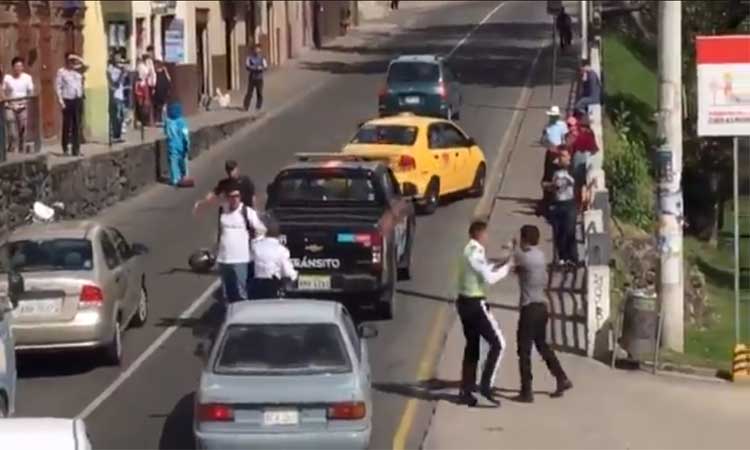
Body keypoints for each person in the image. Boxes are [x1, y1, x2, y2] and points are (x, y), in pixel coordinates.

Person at [512, 225, 573, 403]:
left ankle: (526, 390)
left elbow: (511, 259)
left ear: (524, 239)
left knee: (524, 350)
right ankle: (561, 377)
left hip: (529, 308)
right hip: (542, 307)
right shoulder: (540, 256)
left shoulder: (523, 256)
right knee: (542, 345)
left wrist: (511, 247)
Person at [456, 220, 513, 407]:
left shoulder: (469, 250)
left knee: (472, 346)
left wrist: (503, 262)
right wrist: (507, 268)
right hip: (474, 304)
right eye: (486, 234)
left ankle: (466, 388)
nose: (488, 237)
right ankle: (486, 386)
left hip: (464, 302)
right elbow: (490, 277)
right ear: (479, 234)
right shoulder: (474, 253)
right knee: (499, 343)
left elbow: (485, 269)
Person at [215, 180, 267, 302]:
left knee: (241, 292)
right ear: (227, 197)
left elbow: (261, 229)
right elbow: (220, 231)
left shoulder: (247, 212)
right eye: (231, 196)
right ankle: (229, 315)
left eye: (237, 196)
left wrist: (256, 242)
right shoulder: (223, 210)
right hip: (224, 259)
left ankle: (243, 317)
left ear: (240, 197)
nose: (234, 199)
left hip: (240, 258)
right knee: (227, 293)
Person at [543, 149, 579, 266]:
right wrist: (552, 186)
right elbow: (544, 183)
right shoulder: (552, 168)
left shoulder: (573, 168)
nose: (563, 158)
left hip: (570, 204)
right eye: (561, 156)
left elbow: (579, 184)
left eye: (565, 156)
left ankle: (573, 258)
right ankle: (562, 258)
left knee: (570, 230)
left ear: (569, 157)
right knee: (558, 232)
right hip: (556, 204)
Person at [250, 215, 298, 299]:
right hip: (272, 285)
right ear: (278, 234)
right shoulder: (281, 250)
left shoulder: (256, 246)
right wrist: (295, 275)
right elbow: (287, 271)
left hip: (256, 285)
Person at [55, 52, 88, 157]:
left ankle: (76, 149)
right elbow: (58, 87)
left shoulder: (78, 70)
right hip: (67, 100)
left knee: (77, 126)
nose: (72, 63)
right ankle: (65, 149)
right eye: (70, 60)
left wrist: (77, 57)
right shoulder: (61, 72)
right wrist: (61, 101)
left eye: (73, 61)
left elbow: (86, 65)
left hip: (77, 99)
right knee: (67, 125)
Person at [2, 56, 34, 153]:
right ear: (13, 67)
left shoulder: (27, 78)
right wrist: (7, 103)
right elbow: (2, 91)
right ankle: (12, 148)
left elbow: (30, 91)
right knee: (12, 129)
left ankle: (21, 148)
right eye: (16, 66)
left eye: (20, 66)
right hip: (10, 106)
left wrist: (26, 102)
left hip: (22, 106)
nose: (18, 69)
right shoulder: (8, 78)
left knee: (22, 129)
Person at [570, 116, 600, 211]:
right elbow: (595, 149)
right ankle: (586, 204)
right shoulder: (590, 134)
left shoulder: (577, 134)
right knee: (587, 184)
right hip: (587, 160)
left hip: (577, 158)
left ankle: (577, 204)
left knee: (577, 184)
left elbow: (572, 147)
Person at [164, 102, 191, 187]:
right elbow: (185, 134)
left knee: (173, 162)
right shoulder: (181, 121)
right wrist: (187, 144)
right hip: (181, 145)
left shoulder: (168, 122)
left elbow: (166, 133)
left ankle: (175, 179)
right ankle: (184, 176)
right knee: (183, 161)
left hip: (172, 146)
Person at [107, 52, 127, 143]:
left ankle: (118, 135)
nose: (118, 59)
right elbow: (115, 83)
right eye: (117, 57)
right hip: (114, 95)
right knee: (116, 116)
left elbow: (123, 82)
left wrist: (123, 72)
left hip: (120, 95)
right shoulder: (110, 69)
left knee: (121, 116)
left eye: (120, 57)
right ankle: (115, 135)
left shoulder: (120, 69)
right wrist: (121, 73)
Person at [243, 45, 268, 112]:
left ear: (260, 51)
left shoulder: (262, 58)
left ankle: (258, 106)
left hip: (259, 78)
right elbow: (247, 66)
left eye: (258, 50)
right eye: (256, 50)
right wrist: (253, 68)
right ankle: (246, 106)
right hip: (252, 78)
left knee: (259, 92)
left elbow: (265, 67)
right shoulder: (249, 58)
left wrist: (261, 68)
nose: (257, 51)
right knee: (249, 93)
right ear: (253, 50)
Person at [152, 60, 171, 126]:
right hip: (163, 91)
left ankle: (160, 120)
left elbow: (154, 83)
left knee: (159, 107)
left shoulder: (156, 73)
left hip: (159, 91)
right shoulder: (163, 72)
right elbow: (169, 80)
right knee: (163, 106)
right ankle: (164, 120)